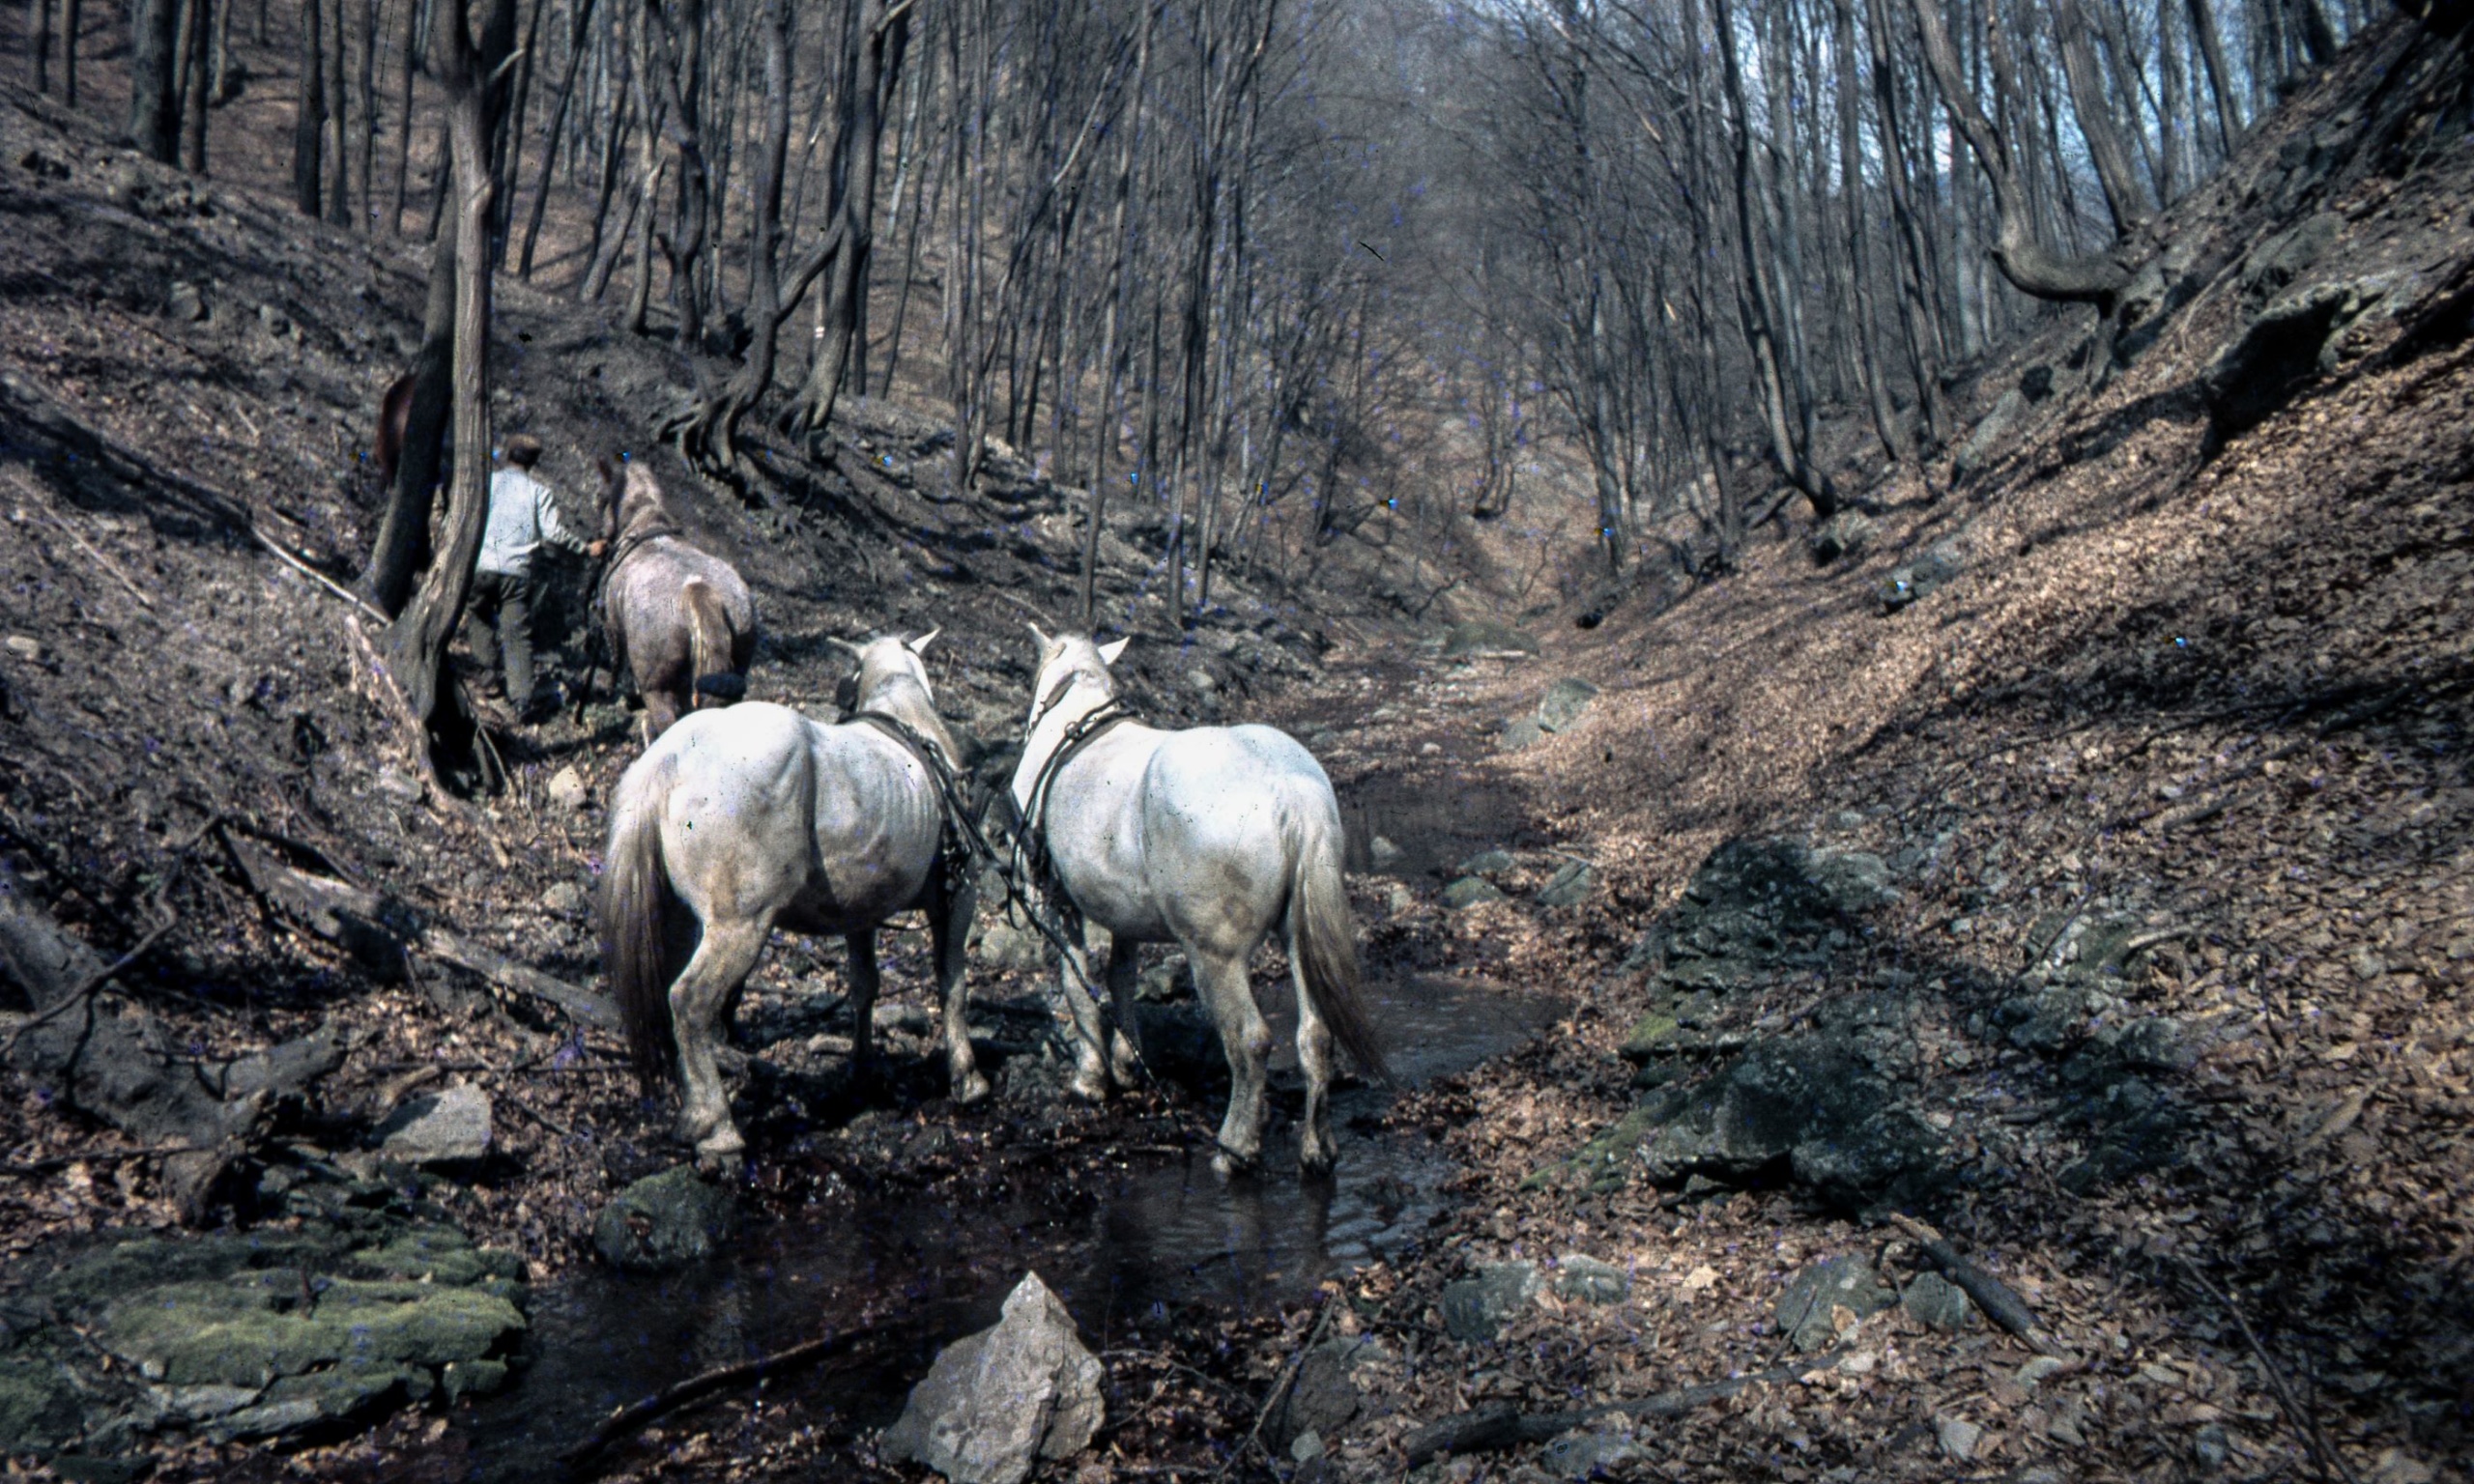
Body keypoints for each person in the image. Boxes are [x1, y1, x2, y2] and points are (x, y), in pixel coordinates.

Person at [472, 435, 604, 721]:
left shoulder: (487, 483)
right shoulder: (538, 493)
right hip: (517, 574)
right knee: (517, 635)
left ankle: (488, 679)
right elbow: (554, 533)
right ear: (533, 463)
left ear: (507, 455)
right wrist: (585, 548)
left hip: (481, 567)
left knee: (479, 617)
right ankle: (521, 700)